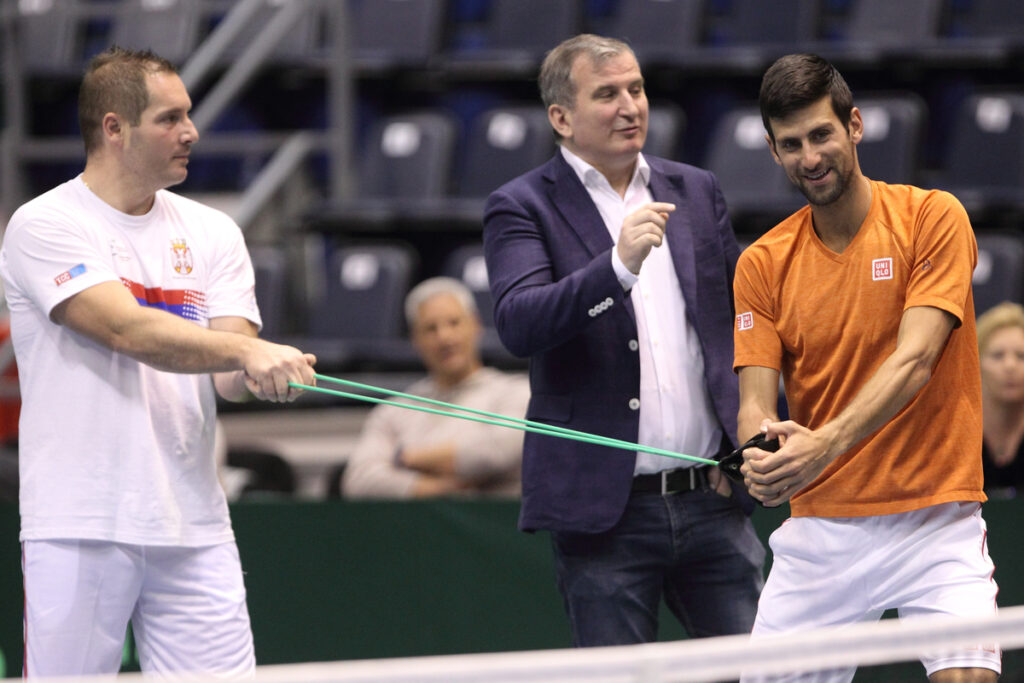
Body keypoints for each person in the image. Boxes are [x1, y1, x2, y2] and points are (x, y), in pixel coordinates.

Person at [0, 47, 317, 676]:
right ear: (114, 127)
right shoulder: (44, 224)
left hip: (193, 519)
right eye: (170, 118)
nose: (192, 133)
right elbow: (123, 328)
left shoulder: (214, 232)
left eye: (189, 115)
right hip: (80, 518)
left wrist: (264, 377)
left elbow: (229, 377)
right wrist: (247, 349)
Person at [482, 33, 764, 647]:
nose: (630, 106)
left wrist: (750, 442)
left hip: (711, 497)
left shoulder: (694, 189)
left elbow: (744, 320)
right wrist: (615, 268)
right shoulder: (522, 205)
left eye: (635, 89)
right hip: (604, 516)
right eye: (606, 94)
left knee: (760, 671)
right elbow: (520, 323)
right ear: (561, 117)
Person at [733, 53, 999, 682]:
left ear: (854, 125)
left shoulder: (933, 218)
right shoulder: (762, 264)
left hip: (936, 521)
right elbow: (754, 402)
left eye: (821, 134)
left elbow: (915, 360)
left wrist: (822, 445)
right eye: (791, 144)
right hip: (822, 533)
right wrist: (761, 453)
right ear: (773, 152)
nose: (810, 156)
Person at [342, 277, 529, 498]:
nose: (444, 337)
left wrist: (409, 458)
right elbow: (359, 480)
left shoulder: (516, 392)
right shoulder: (394, 410)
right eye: (431, 329)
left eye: (454, 323)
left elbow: (497, 453)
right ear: (415, 339)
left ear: (475, 326)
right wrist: (440, 489)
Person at [977, 301, 1024, 494]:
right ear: (977, 362)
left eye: (1021, 356)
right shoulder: (956, 432)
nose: (1010, 366)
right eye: (997, 356)